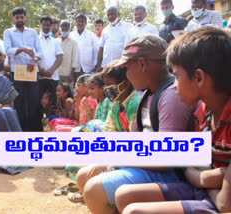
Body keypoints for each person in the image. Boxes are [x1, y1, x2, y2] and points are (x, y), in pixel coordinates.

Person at [115, 26, 231, 214]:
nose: (174, 85)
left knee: (134, 211)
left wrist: (203, 178)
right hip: (207, 190)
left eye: (176, 76)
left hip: (219, 201)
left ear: (199, 78)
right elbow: (191, 166)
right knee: (125, 195)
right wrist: (207, 178)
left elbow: (225, 204)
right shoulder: (204, 112)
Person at [77, 35, 197, 214]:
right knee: (84, 175)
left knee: (94, 189)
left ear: (142, 64)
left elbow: (167, 158)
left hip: (170, 174)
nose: (126, 75)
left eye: (127, 68)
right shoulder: (147, 94)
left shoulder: (170, 96)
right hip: (148, 162)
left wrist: (121, 159)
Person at [4, 7, 43, 131]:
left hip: (32, 71)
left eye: (22, 17)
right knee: (19, 102)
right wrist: (23, 49)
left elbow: (40, 52)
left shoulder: (32, 32)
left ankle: (33, 131)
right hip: (18, 72)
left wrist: (34, 60)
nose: (19, 19)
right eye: (17, 17)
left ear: (25, 18)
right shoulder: (8, 32)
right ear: (13, 18)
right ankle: (20, 130)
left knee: (33, 101)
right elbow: (8, 50)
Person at [103, 60, 141, 132]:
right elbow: (109, 129)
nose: (106, 88)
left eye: (109, 84)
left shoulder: (135, 103)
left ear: (126, 84)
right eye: (105, 85)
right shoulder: (115, 104)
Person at [95, 6, 133, 72]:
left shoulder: (129, 27)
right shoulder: (105, 30)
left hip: (122, 65)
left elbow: (132, 47)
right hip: (107, 65)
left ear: (118, 14)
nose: (110, 16)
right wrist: (98, 65)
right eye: (108, 15)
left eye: (112, 14)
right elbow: (101, 48)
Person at [38, 16, 63, 105]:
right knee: (38, 104)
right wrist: (40, 70)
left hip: (52, 77)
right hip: (39, 77)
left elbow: (60, 57)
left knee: (53, 104)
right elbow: (32, 57)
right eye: (44, 25)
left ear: (51, 26)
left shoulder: (56, 41)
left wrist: (51, 71)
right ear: (40, 25)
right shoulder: (35, 40)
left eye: (48, 25)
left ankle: (52, 119)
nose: (46, 27)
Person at [57, 21, 79, 89]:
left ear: (69, 29)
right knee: (58, 94)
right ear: (60, 29)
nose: (64, 31)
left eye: (66, 30)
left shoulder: (73, 42)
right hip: (57, 73)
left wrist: (72, 74)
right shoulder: (56, 41)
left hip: (68, 74)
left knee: (68, 93)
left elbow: (74, 59)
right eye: (63, 29)